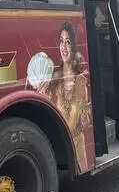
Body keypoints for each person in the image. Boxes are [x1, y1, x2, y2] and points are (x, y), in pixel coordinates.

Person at [35, 22, 91, 171]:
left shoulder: (80, 80)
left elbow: (83, 118)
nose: (64, 47)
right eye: (61, 41)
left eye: (68, 42)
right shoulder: (52, 78)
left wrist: (82, 111)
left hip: (78, 150)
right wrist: (42, 94)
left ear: (74, 47)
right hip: (63, 142)